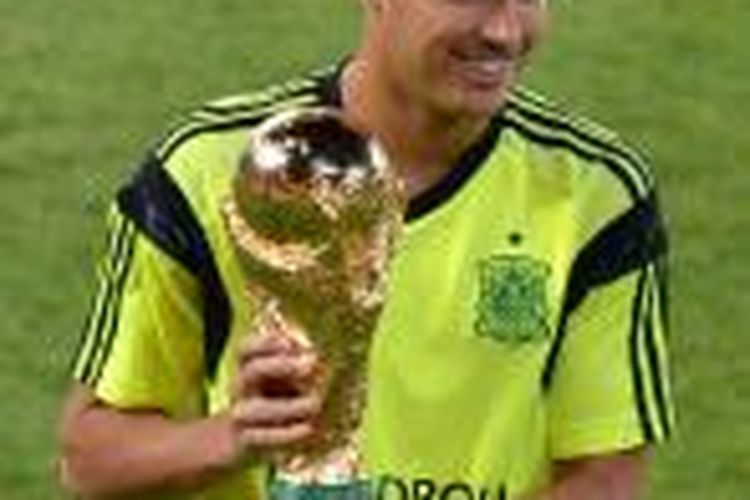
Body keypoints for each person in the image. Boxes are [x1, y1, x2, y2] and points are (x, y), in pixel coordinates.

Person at [58, 0, 674, 498]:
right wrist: (231, 438)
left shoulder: (595, 193)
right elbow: (89, 457)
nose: (506, 30)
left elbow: (605, 476)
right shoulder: (207, 172)